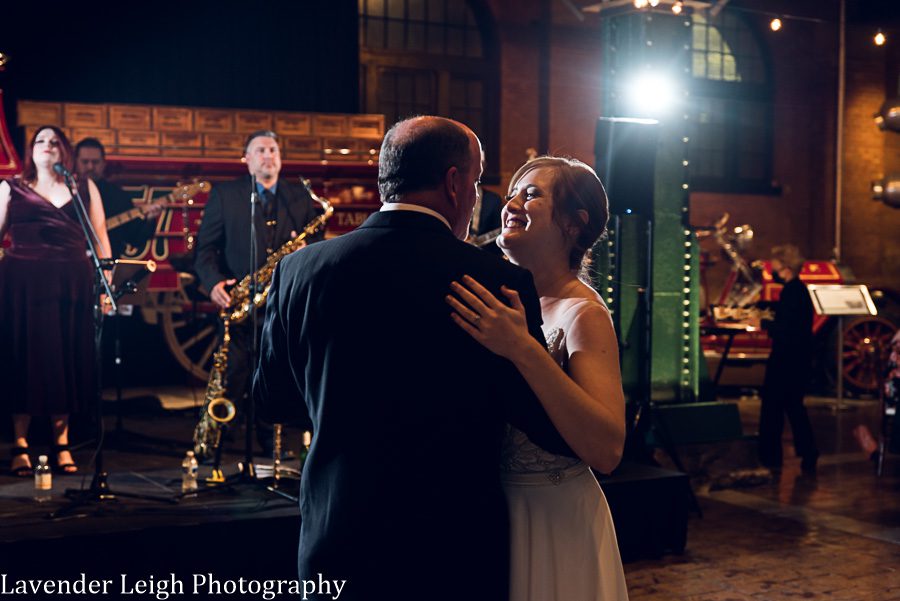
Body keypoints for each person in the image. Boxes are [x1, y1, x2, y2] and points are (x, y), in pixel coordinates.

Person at [252, 116, 571, 601]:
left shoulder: (298, 270)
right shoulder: (493, 281)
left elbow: (273, 403)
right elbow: (537, 419)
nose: (479, 194)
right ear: (454, 182)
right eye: (479, 179)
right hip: (451, 545)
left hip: (337, 535)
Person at [448, 156, 629, 600]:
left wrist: (525, 350)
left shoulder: (583, 313)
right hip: (495, 512)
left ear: (573, 223)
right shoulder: (505, 299)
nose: (510, 204)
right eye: (512, 193)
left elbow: (607, 449)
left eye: (531, 194)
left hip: (555, 516)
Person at [194, 130, 323, 455]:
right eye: (261, 150)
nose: (268, 155)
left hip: (283, 302)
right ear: (247, 159)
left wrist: (307, 250)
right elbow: (205, 249)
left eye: (273, 149)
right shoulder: (226, 194)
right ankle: (217, 444)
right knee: (233, 375)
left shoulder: (300, 197)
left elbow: (320, 248)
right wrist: (213, 284)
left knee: (277, 374)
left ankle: (273, 441)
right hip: (241, 300)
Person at [0, 126, 111, 476]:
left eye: (54, 142)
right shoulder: (11, 188)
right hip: (23, 286)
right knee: (25, 360)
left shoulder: (82, 188)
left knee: (62, 360)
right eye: (40, 141)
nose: (47, 147)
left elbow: (100, 238)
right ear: (31, 150)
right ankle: (20, 443)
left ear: (65, 151)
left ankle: (61, 443)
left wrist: (105, 283)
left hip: (71, 285)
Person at [756, 244, 819, 473]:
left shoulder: (792, 292)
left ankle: (771, 456)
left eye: (775, 264)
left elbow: (786, 328)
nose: (771, 268)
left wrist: (764, 323)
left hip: (786, 360)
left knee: (774, 406)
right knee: (793, 407)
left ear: (785, 266)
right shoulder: (798, 290)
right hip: (797, 359)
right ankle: (808, 452)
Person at [74, 138, 163, 258]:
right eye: (85, 162)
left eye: (95, 162)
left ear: (103, 164)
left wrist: (150, 219)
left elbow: (135, 238)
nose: (90, 167)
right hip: (71, 265)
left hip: (108, 267)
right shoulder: (65, 193)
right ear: (76, 162)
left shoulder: (118, 196)